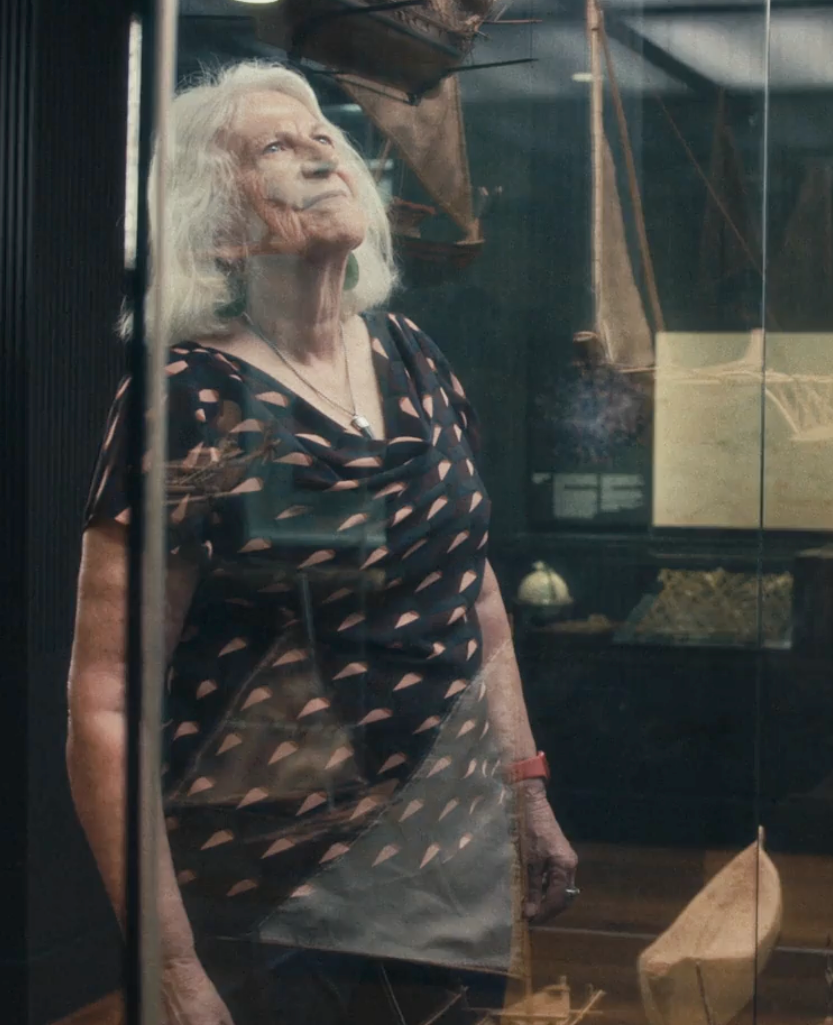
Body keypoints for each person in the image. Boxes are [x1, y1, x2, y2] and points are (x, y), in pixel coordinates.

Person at [67, 62, 577, 1025]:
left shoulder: (414, 356)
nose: (317, 156)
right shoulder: (188, 396)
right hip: (273, 876)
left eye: (323, 139)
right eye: (275, 146)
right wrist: (169, 966)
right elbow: (105, 700)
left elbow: (476, 600)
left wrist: (527, 791)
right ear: (220, 224)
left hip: (447, 852)